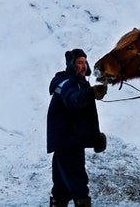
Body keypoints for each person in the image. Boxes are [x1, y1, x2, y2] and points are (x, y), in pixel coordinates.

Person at [47, 48, 107, 207]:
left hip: (67, 141)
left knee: (61, 186)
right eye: (79, 62)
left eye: (85, 62)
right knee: (78, 180)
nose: (84, 66)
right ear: (72, 65)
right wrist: (91, 93)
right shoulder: (66, 84)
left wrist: (95, 138)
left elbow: (86, 116)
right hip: (68, 141)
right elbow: (73, 101)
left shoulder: (80, 83)